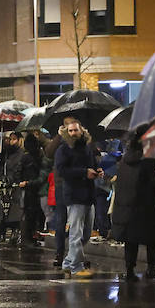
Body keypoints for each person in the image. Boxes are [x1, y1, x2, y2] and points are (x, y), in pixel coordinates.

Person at [110, 132, 155, 280]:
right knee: (152, 240)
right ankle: (151, 269)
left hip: (127, 206)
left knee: (131, 240)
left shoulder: (125, 159)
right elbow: (154, 182)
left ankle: (129, 270)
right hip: (146, 206)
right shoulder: (149, 159)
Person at [54, 118, 100, 278]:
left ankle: (68, 262)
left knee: (86, 233)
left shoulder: (87, 148)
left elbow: (92, 164)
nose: (73, 133)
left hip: (89, 195)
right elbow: (61, 171)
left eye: (75, 130)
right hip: (74, 195)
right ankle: (75, 266)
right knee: (76, 233)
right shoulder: (63, 149)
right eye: (70, 130)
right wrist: (83, 173)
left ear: (82, 131)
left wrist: (97, 170)